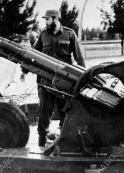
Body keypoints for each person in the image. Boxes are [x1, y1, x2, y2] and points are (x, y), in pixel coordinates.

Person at [30, 9, 85, 146]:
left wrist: (83, 78)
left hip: (66, 82)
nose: (46, 22)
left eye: (48, 19)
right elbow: (33, 54)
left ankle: (65, 141)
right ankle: (41, 140)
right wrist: (25, 69)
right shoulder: (43, 35)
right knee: (44, 112)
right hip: (46, 81)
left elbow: (79, 58)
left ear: (55, 19)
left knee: (66, 111)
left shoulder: (69, 34)